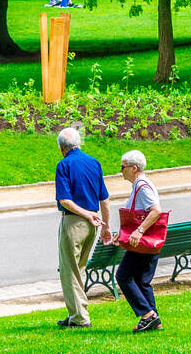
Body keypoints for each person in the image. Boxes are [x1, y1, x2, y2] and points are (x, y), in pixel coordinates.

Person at [54, 127, 109, 328]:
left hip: (74, 222)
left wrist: (85, 214)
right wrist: (106, 225)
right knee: (79, 268)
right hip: (93, 224)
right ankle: (76, 311)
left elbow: (65, 200)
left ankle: (79, 318)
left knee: (69, 270)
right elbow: (104, 198)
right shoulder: (94, 162)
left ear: (62, 148)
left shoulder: (64, 165)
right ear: (79, 144)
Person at [107, 150, 164, 333]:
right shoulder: (140, 185)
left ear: (134, 168)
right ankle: (154, 320)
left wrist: (139, 231)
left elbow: (155, 210)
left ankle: (147, 315)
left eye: (122, 167)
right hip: (146, 241)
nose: (120, 171)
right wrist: (122, 234)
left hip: (142, 242)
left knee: (123, 276)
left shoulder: (142, 185)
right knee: (141, 280)